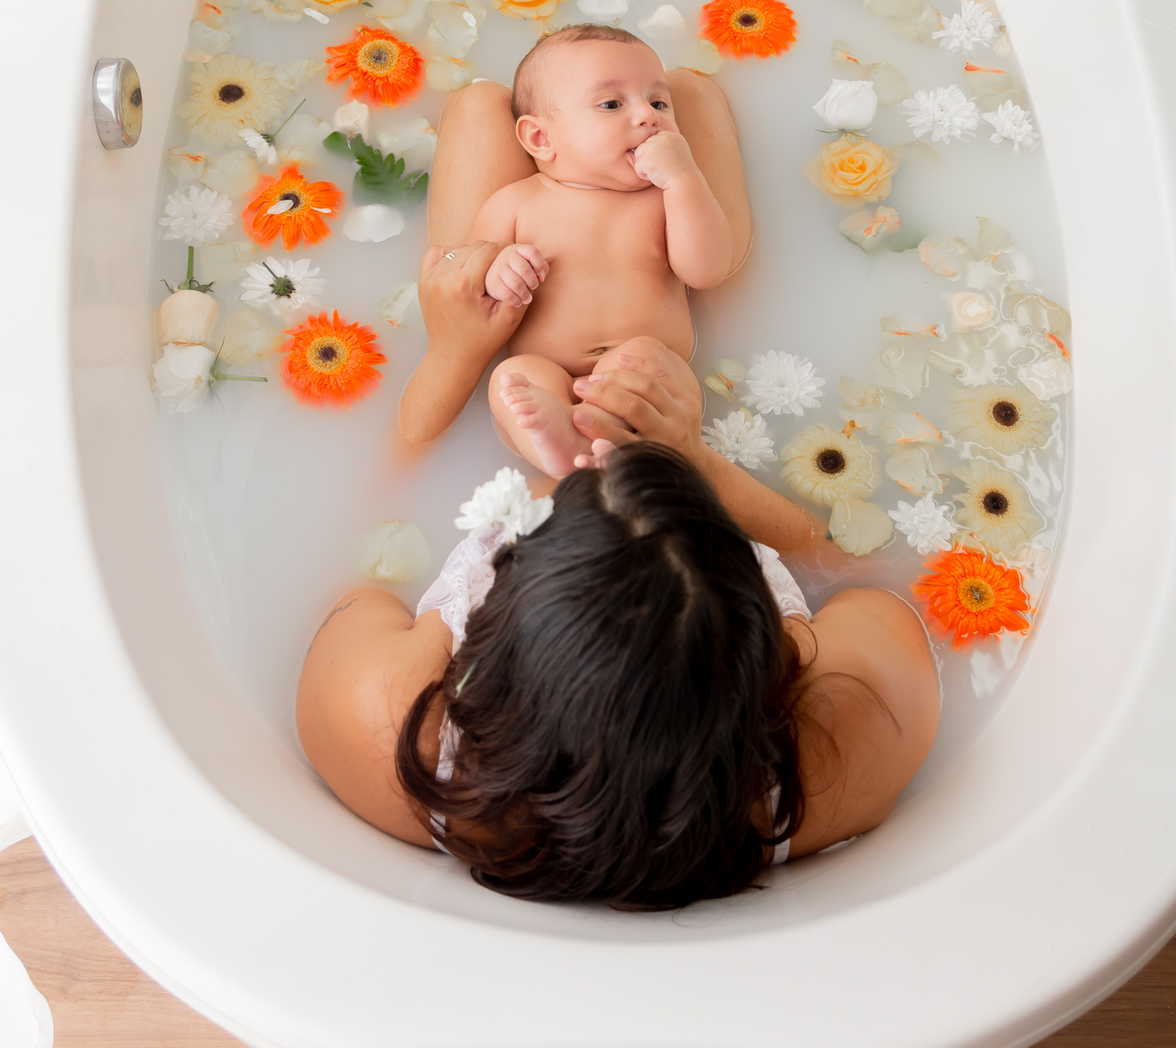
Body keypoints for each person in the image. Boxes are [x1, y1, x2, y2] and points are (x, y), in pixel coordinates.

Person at [296, 77, 940, 906]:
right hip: (657, 377)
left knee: (475, 113)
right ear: (775, 663)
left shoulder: (392, 731)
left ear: (478, 659)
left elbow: (355, 579)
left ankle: (565, 120)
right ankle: (668, 104)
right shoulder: (842, 744)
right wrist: (699, 465)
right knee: (697, 98)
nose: (603, 461)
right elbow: (880, 587)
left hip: (530, 388)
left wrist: (456, 351)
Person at [468, 25, 736, 477]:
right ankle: (556, 445)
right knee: (512, 379)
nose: (648, 116)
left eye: (658, 102)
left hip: (653, 370)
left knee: (641, 359)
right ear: (540, 139)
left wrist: (684, 179)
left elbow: (706, 270)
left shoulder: (667, 198)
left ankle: (602, 441)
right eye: (612, 104)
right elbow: (471, 285)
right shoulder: (515, 202)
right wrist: (500, 271)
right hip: (548, 369)